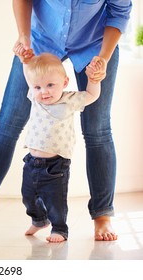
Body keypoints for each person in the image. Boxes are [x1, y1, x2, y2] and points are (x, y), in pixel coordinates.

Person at [0, 0, 132, 241]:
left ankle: (102, 215)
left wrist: (104, 59)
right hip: (40, 41)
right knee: (8, 121)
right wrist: (23, 37)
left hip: (95, 46)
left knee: (98, 129)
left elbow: (119, 12)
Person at [17, 51, 101, 242]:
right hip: (31, 162)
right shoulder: (35, 98)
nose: (44, 92)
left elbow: (92, 95)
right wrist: (24, 60)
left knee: (55, 201)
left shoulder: (69, 99)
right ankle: (39, 220)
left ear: (64, 83)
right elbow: (28, 74)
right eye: (38, 87)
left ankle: (59, 229)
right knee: (28, 196)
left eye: (50, 85)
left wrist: (93, 79)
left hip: (56, 165)